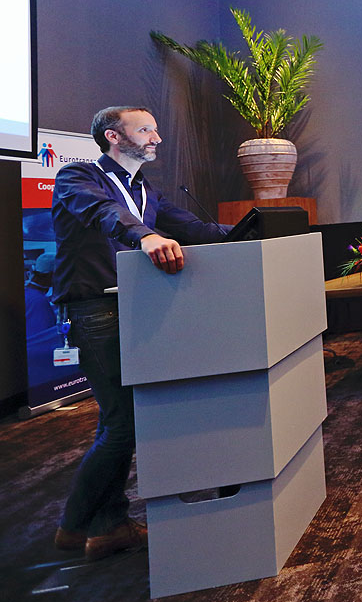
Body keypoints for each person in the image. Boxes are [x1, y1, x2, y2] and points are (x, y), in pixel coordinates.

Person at [51, 106, 230, 561]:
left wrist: (256, 231)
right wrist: (144, 237)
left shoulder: (143, 190)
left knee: (121, 422)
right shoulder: (79, 178)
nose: (157, 137)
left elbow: (193, 228)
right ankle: (74, 526)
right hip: (94, 309)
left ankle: (104, 524)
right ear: (114, 136)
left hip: (131, 307)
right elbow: (105, 214)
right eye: (145, 129)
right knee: (122, 423)